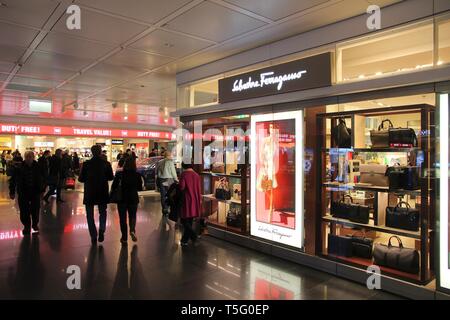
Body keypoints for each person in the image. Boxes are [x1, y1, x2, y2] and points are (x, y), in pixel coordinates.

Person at [78, 145, 114, 244]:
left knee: (89, 215)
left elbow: (80, 179)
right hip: (102, 191)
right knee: (103, 212)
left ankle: (93, 235)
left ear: (92, 152)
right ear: (100, 152)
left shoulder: (86, 164)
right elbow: (111, 177)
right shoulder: (106, 164)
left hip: (90, 192)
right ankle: (102, 230)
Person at [9, 151, 45, 235]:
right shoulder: (19, 167)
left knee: (35, 210)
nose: (28, 158)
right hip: (23, 193)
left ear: (33, 157)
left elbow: (42, 179)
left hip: (35, 192)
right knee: (24, 211)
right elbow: (13, 180)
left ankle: (35, 225)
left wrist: (42, 190)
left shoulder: (38, 167)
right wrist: (12, 192)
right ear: (24, 158)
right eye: (27, 157)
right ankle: (27, 226)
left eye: (30, 156)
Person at [111, 157, 143, 244]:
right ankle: (132, 230)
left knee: (122, 218)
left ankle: (124, 237)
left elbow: (114, 186)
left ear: (125, 164)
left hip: (121, 198)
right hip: (133, 198)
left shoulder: (119, 174)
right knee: (132, 216)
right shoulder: (137, 175)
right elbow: (140, 188)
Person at [178, 162, 202, 246]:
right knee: (190, 219)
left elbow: (181, 187)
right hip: (195, 198)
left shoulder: (184, 174)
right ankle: (185, 240)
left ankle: (193, 235)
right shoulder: (196, 175)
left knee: (183, 220)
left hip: (187, 199)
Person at [156, 151, 178, 215]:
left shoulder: (159, 162)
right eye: (170, 155)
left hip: (161, 179)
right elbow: (173, 172)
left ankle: (164, 209)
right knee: (170, 194)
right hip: (169, 179)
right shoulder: (170, 162)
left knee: (163, 195)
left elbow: (157, 172)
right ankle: (170, 208)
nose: (171, 156)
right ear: (168, 155)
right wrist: (176, 179)